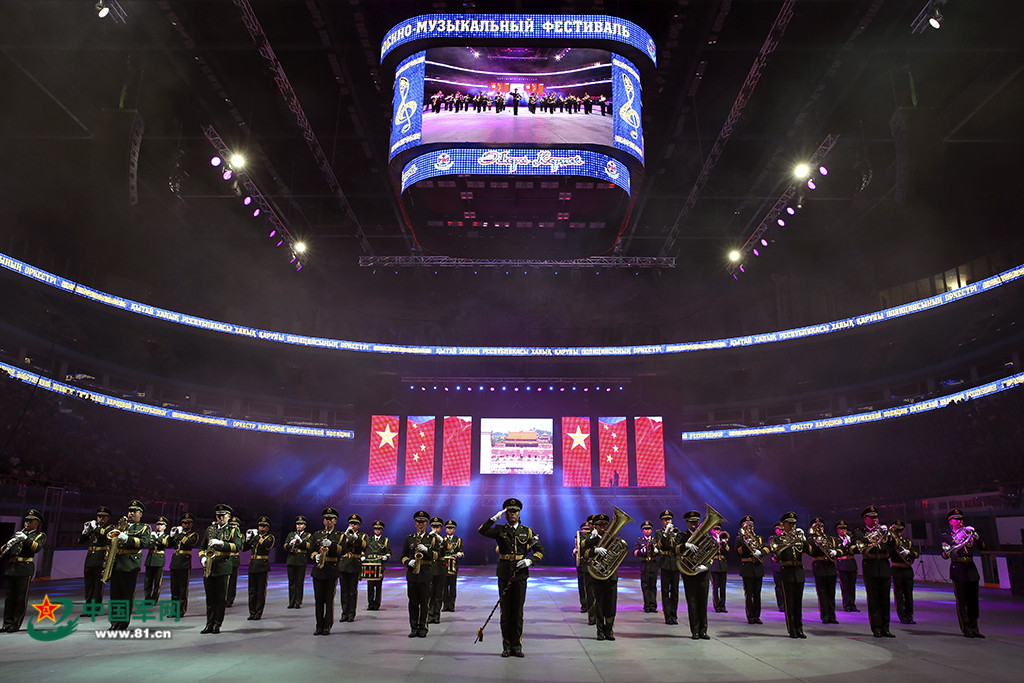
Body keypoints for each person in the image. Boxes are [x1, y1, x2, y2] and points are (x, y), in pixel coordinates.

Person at [478, 497, 545, 658]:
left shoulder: (527, 531)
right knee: (505, 612)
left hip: (520, 575)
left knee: (518, 612)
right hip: (504, 573)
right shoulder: (499, 530)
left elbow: (540, 551)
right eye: (509, 511)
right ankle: (506, 646)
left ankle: (517, 646)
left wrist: (530, 561)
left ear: (519, 513)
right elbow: (481, 530)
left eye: (515, 511)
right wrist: (493, 519)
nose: (512, 514)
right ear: (505, 514)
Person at [107, 499, 153, 631]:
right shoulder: (121, 526)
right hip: (117, 563)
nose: (131, 514)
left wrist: (127, 538)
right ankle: (114, 621)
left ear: (140, 514)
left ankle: (123, 623)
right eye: (130, 511)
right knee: (115, 595)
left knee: (126, 595)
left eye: (134, 511)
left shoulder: (144, 528)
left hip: (130, 564)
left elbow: (144, 542)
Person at [940, 508, 985, 638]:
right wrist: (957, 540)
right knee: (962, 601)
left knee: (973, 601)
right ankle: (966, 628)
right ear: (950, 521)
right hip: (958, 568)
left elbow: (982, 547)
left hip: (970, 568)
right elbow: (946, 554)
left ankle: (974, 627)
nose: (959, 521)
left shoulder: (968, 533)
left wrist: (976, 536)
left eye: (960, 519)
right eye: (956, 519)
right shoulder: (947, 536)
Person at [853, 505, 895, 638]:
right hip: (870, 566)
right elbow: (855, 548)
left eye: (876, 517)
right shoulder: (860, 533)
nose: (874, 520)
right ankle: (876, 627)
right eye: (871, 517)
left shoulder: (883, 531)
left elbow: (893, 547)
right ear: (865, 519)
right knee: (873, 599)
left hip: (884, 565)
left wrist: (889, 535)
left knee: (885, 599)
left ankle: (886, 627)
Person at [1, 509, 46, 633]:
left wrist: (26, 539)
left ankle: (16, 624)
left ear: (37, 522)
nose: (27, 523)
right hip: (12, 568)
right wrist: (8, 545)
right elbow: (4, 550)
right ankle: (7, 623)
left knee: (21, 598)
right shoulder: (17, 534)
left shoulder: (39, 535)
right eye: (26, 520)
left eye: (31, 521)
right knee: (9, 598)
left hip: (24, 569)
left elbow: (37, 548)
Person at [201, 503, 241, 634]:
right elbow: (202, 547)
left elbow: (237, 546)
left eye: (223, 515)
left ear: (229, 516)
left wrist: (222, 543)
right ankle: (209, 624)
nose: (220, 518)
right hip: (210, 566)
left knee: (220, 598)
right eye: (218, 515)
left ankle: (217, 624)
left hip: (223, 566)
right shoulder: (210, 530)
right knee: (210, 598)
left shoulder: (233, 530)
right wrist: (202, 557)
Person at [770, 512, 811, 638]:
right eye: (789, 524)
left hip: (798, 572)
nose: (792, 526)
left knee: (798, 602)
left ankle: (799, 628)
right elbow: (776, 556)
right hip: (786, 572)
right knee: (789, 602)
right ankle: (792, 628)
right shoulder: (778, 540)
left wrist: (804, 540)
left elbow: (810, 551)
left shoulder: (799, 538)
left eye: (794, 524)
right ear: (784, 525)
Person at [581, 512, 618, 640]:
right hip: (596, 576)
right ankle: (600, 631)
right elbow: (583, 552)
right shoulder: (591, 540)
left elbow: (619, 553)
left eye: (604, 525)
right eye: (599, 525)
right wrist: (594, 549)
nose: (602, 527)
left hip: (610, 575)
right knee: (599, 604)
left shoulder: (613, 538)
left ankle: (610, 631)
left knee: (611, 604)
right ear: (594, 526)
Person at [402, 510, 438, 638]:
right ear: (415, 524)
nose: (420, 524)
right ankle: (413, 627)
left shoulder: (432, 539)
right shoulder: (410, 538)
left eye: (423, 522)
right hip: (412, 574)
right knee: (412, 603)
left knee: (424, 603)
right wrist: (408, 562)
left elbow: (437, 555)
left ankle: (423, 627)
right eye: (418, 522)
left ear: (427, 524)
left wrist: (427, 550)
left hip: (425, 573)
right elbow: (403, 556)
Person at [677, 509, 711, 640]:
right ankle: (695, 631)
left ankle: (703, 630)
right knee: (692, 603)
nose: (694, 524)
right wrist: (685, 545)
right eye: (691, 522)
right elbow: (675, 549)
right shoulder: (683, 536)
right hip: (689, 574)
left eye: (696, 522)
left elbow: (712, 553)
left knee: (703, 602)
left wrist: (706, 566)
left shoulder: (705, 536)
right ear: (687, 523)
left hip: (702, 574)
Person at [309, 507, 342, 635]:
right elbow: (311, 550)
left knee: (328, 600)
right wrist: (315, 556)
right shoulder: (317, 534)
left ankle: (327, 625)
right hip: (318, 570)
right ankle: (319, 625)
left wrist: (331, 545)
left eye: (331, 519)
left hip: (331, 570)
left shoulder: (338, 535)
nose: (328, 521)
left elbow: (343, 550)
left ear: (335, 521)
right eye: (326, 519)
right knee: (318, 600)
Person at [78, 505, 112, 609]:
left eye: (103, 516)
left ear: (108, 518)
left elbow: (106, 535)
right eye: (99, 516)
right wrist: (85, 532)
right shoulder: (93, 528)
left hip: (100, 559)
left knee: (98, 586)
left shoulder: (109, 528)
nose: (101, 519)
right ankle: (88, 607)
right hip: (90, 559)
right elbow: (80, 541)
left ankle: (96, 607)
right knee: (89, 584)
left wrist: (95, 528)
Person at [807, 516, 839, 624]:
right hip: (819, 566)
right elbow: (810, 552)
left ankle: (832, 616)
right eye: (816, 527)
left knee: (831, 593)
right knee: (822, 592)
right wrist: (816, 544)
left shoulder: (830, 539)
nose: (819, 529)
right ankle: (825, 615)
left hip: (830, 566)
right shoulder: (811, 540)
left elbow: (839, 549)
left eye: (820, 526)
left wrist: (836, 552)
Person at [736, 515, 767, 624]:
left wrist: (761, 552)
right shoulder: (740, 539)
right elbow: (738, 552)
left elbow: (767, 547)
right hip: (747, 568)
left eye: (751, 525)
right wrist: (746, 542)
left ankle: (757, 616)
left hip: (758, 568)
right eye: (747, 525)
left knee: (757, 594)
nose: (749, 527)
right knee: (749, 594)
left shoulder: (759, 538)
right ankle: (750, 616)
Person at [166, 512, 198, 616]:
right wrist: (171, 536)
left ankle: (181, 609)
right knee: (174, 588)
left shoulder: (193, 535)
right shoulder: (178, 534)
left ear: (191, 524)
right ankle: (173, 610)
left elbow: (188, 543)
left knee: (182, 588)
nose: (185, 525)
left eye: (188, 523)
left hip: (184, 563)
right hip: (175, 563)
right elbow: (168, 545)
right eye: (184, 523)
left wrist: (180, 534)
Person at [243, 515, 274, 620]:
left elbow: (266, 545)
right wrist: (247, 539)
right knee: (252, 591)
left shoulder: (269, 537)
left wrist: (256, 536)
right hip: (253, 565)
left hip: (262, 566)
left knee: (260, 591)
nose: (261, 528)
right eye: (260, 526)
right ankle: (252, 612)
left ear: (268, 528)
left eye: (264, 526)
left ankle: (258, 612)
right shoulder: (255, 538)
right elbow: (244, 549)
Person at [889, 520, 919, 625]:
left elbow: (916, 553)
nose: (899, 533)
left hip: (907, 570)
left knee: (908, 595)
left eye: (901, 530)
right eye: (897, 531)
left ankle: (909, 615)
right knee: (899, 595)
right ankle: (902, 616)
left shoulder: (907, 542)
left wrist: (909, 552)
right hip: (897, 570)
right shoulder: (892, 543)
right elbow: (889, 553)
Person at [338, 513, 366, 623]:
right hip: (344, 565)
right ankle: (344, 613)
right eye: (351, 523)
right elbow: (339, 548)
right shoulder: (343, 535)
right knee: (344, 591)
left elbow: (364, 546)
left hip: (354, 565)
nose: (352, 526)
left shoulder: (362, 536)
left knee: (352, 591)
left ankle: (351, 613)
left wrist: (356, 538)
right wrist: (346, 537)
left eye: (355, 524)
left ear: (359, 525)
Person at [655, 509, 680, 625]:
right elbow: (661, 545)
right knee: (665, 591)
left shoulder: (676, 531)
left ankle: (674, 615)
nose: (667, 521)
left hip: (675, 563)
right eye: (665, 520)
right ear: (662, 521)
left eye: (669, 519)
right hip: (665, 563)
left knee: (675, 591)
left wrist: (674, 535)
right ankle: (667, 616)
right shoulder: (659, 533)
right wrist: (665, 533)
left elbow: (677, 547)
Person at [363, 520, 390, 611]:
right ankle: (370, 603)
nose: (377, 530)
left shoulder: (385, 540)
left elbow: (389, 552)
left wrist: (386, 557)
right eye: (376, 529)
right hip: (370, 564)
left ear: (382, 530)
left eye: (379, 529)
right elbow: (363, 550)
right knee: (370, 585)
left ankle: (377, 604)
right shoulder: (368, 539)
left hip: (379, 564)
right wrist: (362, 556)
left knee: (378, 586)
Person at [285, 515, 310, 609]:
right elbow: (285, 546)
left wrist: (300, 541)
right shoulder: (291, 534)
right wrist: (289, 544)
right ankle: (291, 601)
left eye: (301, 524)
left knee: (299, 582)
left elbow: (309, 546)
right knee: (291, 582)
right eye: (297, 524)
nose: (299, 526)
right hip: (291, 559)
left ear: (305, 526)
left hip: (301, 560)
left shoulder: (307, 535)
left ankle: (298, 601)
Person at [834, 520, 859, 612]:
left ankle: (852, 604)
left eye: (845, 528)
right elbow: (837, 551)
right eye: (841, 529)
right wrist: (843, 544)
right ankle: (847, 605)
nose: (843, 530)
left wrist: (851, 542)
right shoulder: (836, 540)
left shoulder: (850, 539)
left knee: (852, 586)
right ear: (837, 530)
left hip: (851, 563)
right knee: (845, 586)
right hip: (842, 564)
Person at [634, 520, 658, 613]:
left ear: (651, 530)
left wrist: (657, 551)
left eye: (649, 529)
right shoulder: (640, 540)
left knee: (653, 586)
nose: (647, 530)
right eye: (645, 529)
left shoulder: (655, 540)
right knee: (645, 586)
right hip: (644, 564)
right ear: (642, 530)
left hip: (653, 564)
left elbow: (660, 551)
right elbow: (635, 553)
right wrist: (641, 551)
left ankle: (653, 606)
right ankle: (647, 606)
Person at [427, 516, 447, 624]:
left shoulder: (443, 539)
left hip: (440, 568)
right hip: (430, 568)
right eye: (433, 527)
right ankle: (430, 615)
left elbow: (447, 548)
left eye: (437, 527)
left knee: (438, 594)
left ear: (441, 528)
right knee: (430, 593)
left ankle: (436, 615)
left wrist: (440, 539)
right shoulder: (427, 538)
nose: (435, 529)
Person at [144, 516, 169, 602]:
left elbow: (164, 544)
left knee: (157, 581)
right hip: (150, 559)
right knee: (148, 581)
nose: (159, 526)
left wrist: (156, 538)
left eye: (161, 525)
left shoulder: (166, 536)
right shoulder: (151, 535)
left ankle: (154, 598)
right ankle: (147, 598)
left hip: (159, 560)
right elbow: (148, 544)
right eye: (158, 525)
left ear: (165, 527)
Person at [441, 520, 463, 612]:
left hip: (453, 565)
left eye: (451, 528)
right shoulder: (442, 539)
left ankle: (451, 605)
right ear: (445, 529)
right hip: (444, 564)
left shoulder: (458, 540)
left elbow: (461, 551)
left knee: (453, 586)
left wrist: (460, 554)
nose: (450, 530)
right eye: (448, 528)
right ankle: (445, 605)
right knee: (444, 586)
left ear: (454, 529)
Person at [573, 519, 592, 616]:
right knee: (582, 587)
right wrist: (575, 551)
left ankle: (591, 605)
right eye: (584, 529)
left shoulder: (594, 537)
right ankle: (584, 605)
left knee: (591, 587)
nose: (585, 531)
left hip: (591, 564)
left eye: (587, 529)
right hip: (582, 564)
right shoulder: (579, 537)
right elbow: (575, 551)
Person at [710, 523, 730, 613]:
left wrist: (723, 542)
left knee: (723, 587)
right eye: (715, 529)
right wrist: (717, 542)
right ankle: (717, 605)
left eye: (718, 529)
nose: (717, 531)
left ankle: (723, 605)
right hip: (714, 565)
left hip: (723, 565)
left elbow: (728, 551)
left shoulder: (723, 540)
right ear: (712, 530)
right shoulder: (710, 540)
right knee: (715, 587)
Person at [226, 515, 242, 607]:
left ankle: (230, 599)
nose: (233, 527)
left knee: (232, 582)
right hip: (226, 558)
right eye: (231, 525)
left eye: (235, 525)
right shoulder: (225, 534)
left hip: (234, 559)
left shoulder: (240, 536)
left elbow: (241, 547)